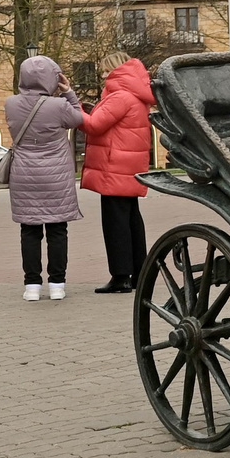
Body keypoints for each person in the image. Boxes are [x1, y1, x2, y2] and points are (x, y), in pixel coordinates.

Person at [4, 55, 86, 301]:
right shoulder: (58, 106)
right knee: (57, 230)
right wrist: (68, 91)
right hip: (56, 175)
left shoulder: (10, 103)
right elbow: (79, 119)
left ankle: (32, 286)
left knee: (29, 231)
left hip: (24, 174)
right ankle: (57, 284)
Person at [82, 55, 156, 294]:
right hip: (128, 168)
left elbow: (94, 125)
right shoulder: (135, 95)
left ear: (115, 70)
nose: (103, 77)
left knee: (116, 224)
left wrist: (73, 109)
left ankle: (121, 276)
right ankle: (139, 273)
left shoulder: (121, 96)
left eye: (105, 71)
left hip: (114, 168)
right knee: (132, 220)